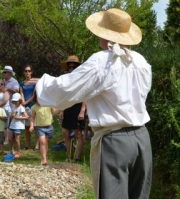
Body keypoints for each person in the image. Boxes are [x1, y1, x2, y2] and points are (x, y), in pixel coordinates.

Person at [36, 8, 152, 199]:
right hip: (142, 138)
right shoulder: (141, 62)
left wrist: (41, 85)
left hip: (114, 140)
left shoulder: (102, 61)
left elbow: (67, 88)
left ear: (103, 33)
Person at [59, 55, 87, 161]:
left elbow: (86, 95)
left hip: (78, 106)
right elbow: (63, 95)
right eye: (70, 65)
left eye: (74, 65)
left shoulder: (82, 78)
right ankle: (68, 155)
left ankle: (77, 157)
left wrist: (82, 110)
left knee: (78, 133)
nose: (72, 66)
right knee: (65, 132)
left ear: (78, 66)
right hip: (67, 106)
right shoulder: (65, 78)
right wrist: (61, 109)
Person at [29, 91, 55, 166]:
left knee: (45, 143)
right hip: (39, 127)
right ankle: (43, 159)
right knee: (42, 142)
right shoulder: (34, 107)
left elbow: (54, 112)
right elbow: (32, 118)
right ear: (35, 98)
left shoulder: (48, 105)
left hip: (49, 126)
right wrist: (31, 126)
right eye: (38, 98)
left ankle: (44, 157)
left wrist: (59, 108)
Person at [19, 64, 39, 150]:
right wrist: (23, 101)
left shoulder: (35, 83)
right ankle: (27, 144)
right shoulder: (22, 83)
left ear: (31, 72)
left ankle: (37, 145)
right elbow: (21, 93)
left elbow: (34, 95)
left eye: (29, 71)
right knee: (27, 127)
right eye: (26, 71)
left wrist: (26, 102)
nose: (27, 72)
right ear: (24, 73)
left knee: (35, 126)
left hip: (33, 106)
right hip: (25, 107)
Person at [8, 93, 28, 158]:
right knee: (10, 138)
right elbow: (12, 116)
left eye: (16, 101)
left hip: (18, 126)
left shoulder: (21, 108)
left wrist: (18, 118)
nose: (15, 102)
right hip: (12, 125)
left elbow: (26, 117)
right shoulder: (13, 107)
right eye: (14, 101)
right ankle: (11, 150)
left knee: (17, 140)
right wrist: (11, 116)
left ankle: (18, 152)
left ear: (19, 100)